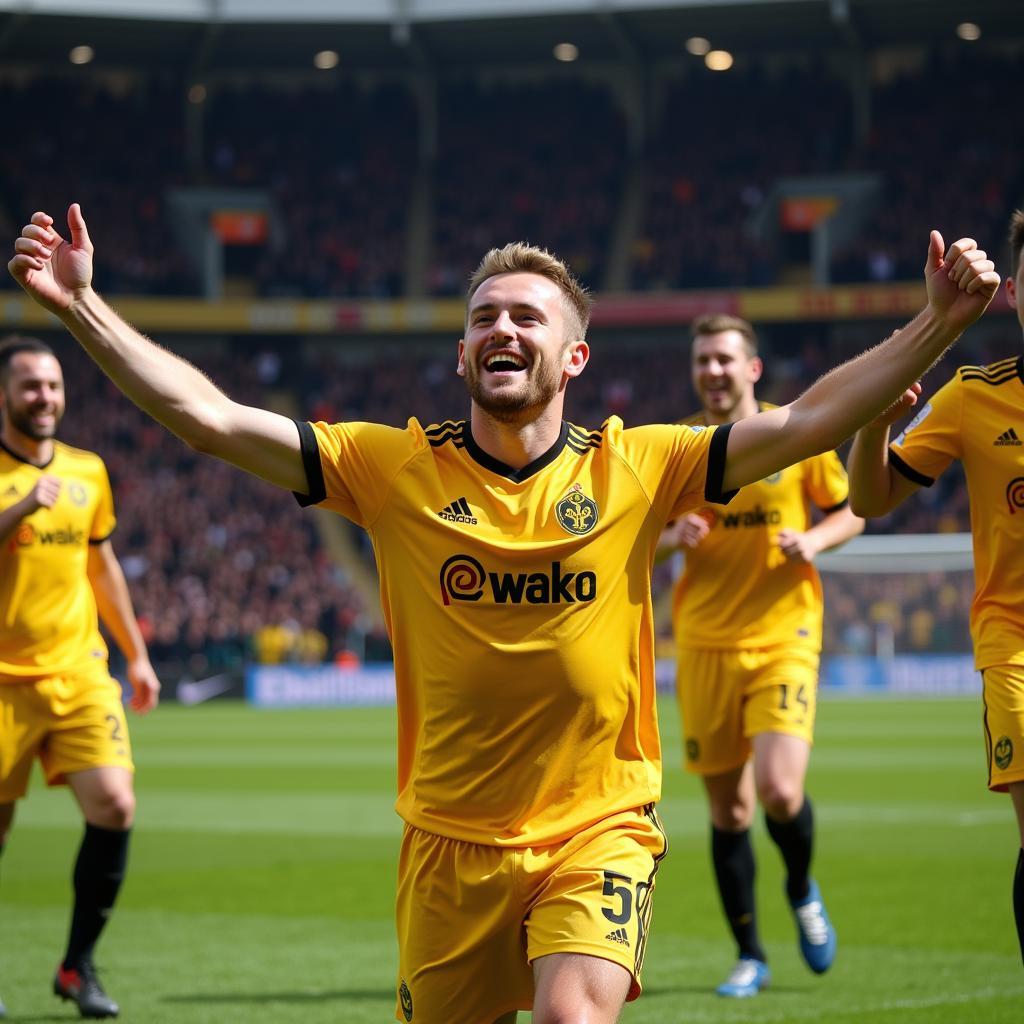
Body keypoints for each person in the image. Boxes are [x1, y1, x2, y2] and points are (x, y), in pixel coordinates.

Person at [8, 205, 998, 1024]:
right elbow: (210, 418)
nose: (502, 330)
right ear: (460, 353)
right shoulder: (388, 468)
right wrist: (85, 307)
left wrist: (937, 325)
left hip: (596, 824)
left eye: (527, 317)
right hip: (447, 843)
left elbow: (807, 420)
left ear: (572, 358)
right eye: (484, 317)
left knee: (575, 1015)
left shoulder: (642, 464)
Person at [658, 314, 863, 997]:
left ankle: (801, 887)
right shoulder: (679, 448)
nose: (712, 370)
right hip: (705, 645)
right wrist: (668, 538)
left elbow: (854, 507)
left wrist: (816, 542)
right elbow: (630, 540)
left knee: (778, 789)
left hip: (784, 634)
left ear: (751, 369)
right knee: (730, 812)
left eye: (724, 358)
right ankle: (751, 954)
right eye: (702, 361)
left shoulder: (791, 435)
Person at [847, 208, 1024, 967]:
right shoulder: (974, 397)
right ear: (1014, 294)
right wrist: (873, 425)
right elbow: (870, 499)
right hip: (1015, 642)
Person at [0, 335, 160, 1020]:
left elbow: (101, 566)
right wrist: (20, 508)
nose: (45, 397)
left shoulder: (87, 471)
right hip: (2, 683)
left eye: (54, 385)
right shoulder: (22, 483)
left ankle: (77, 965)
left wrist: (137, 652)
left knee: (116, 806)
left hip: (76, 670)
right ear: (5, 395)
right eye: (31, 385)